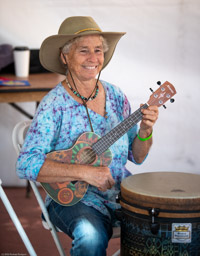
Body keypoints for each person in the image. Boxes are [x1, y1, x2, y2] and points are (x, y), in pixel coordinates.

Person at [16, 16, 159, 256]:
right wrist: (85, 172)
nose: (93, 59)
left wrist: (145, 132)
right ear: (65, 56)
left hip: (119, 193)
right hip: (72, 199)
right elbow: (26, 164)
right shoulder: (54, 105)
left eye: (98, 50)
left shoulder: (116, 96)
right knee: (90, 237)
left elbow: (137, 156)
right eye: (84, 51)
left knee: (167, 225)